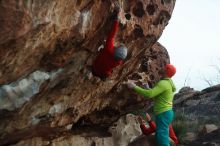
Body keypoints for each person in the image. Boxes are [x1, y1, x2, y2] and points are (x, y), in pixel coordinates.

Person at [127, 64, 177, 146]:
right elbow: (157, 96)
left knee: (162, 136)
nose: (161, 68)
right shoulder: (167, 83)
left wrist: (134, 87)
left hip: (163, 113)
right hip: (165, 113)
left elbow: (150, 95)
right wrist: (147, 88)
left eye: (164, 68)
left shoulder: (163, 83)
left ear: (166, 71)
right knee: (160, 135)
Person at [92, 3, 127, 80]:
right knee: (107, 72)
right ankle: (102, 77)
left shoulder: (109, 49)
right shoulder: (118, 62)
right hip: (101, 72)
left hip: (95, 67)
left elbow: (112, 35)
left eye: (117, 47)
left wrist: (117, 19)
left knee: (103, 64)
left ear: (115, 50)